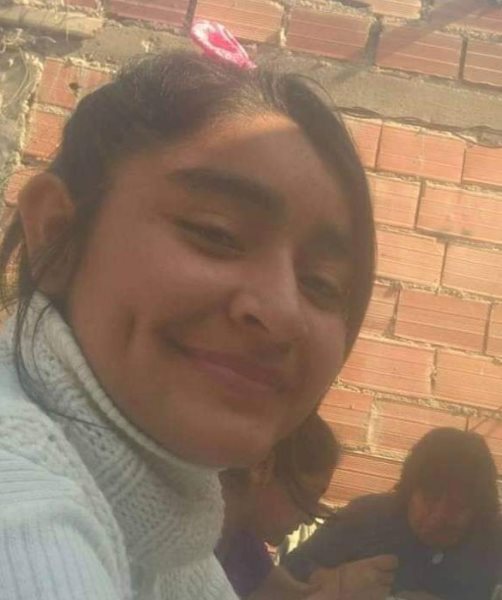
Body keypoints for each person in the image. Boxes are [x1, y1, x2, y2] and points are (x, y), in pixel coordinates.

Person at [0, 30, 376, 600]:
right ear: (56, 232)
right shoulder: (27, 524)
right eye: (216, 233)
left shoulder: (171, 535)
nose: (282, 312)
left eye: (323, 284)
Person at [283, 427, 502, 600]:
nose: (438, 517)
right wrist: (337, 581)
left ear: (479, 511)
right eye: (430, 499)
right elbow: (288, 574)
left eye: (457, 507)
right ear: (409, 490)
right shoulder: (367, 517)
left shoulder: (494, 542)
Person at [217, 413, 339, 599]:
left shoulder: (241, 538)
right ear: (262, 467)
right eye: (306, 497)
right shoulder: (188, 542)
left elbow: (281, 593)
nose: (308, 518)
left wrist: (340, 588)